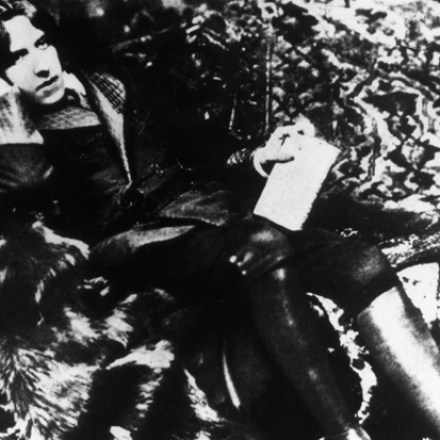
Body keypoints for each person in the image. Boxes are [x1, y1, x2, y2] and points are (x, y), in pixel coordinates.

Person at [1, 1, 440, 439]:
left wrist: (259, 157)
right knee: (262, 245)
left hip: (210, 219)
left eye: (41, 44)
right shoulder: (20, 137)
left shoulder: (110, 83)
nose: (41, 65)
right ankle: (344, 433)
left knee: (360, 262)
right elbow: (29, 186)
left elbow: (198, 151)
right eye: (17, 57)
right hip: (134, 250)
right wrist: (10, 113)